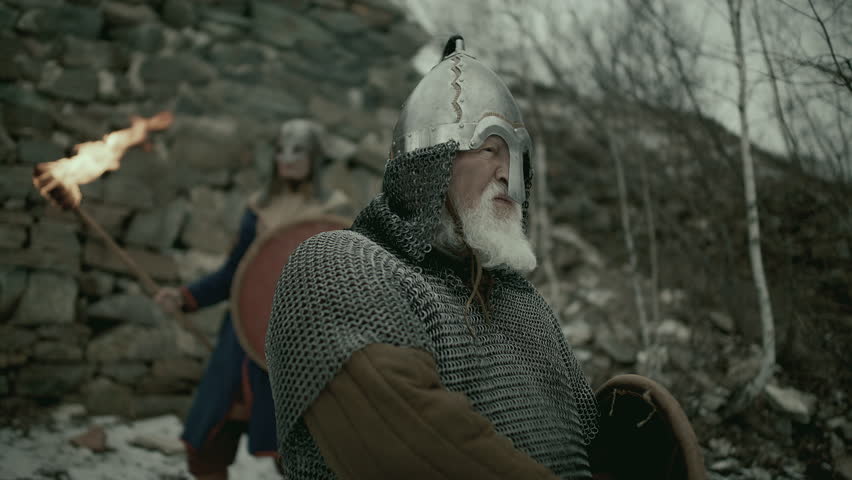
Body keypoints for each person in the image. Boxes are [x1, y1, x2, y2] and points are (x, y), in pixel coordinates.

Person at [265, 36, 599, 479]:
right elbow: (406, 439)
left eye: (518, 158)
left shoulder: (527, 306)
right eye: (490, 148)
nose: (509, 175)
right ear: (427, 163)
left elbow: (593, 448)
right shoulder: (339, 266)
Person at [155, 118, 349, 480]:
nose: (287, 158)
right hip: (243, 339)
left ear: (315, 158)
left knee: (297, 450)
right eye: (280, 150)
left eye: (298, 151)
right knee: (208, 441)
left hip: (297, 347)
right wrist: (185, 297)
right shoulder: (258, 208)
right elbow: (236, 274)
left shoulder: (333, 213)